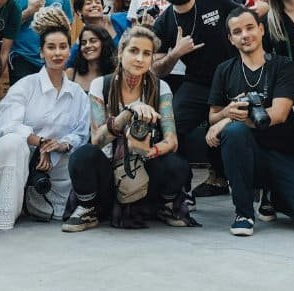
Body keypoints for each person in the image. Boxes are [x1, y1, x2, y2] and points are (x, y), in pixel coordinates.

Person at [207, 7, 294, 236]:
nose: (245, 35)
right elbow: (213, 116)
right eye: (237, 31)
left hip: (283, 155)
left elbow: (279, 114)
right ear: (231, 39)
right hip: (246, 157)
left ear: (261, 29)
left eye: (250, 27)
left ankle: (278, 198)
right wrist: (226, 114)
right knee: (235, 133)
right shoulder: (224, 70)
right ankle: (243, 213)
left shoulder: (282, 65)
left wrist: (227, 121)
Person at [62, 26, 196, 231]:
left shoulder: (161, 88)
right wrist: (128, 113)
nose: (140, 58)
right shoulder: (101, 85)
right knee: (83, 156)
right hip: (108, 175)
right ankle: (89, 208)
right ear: (120, 52)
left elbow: (172, 141)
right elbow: (97, 139)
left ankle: (164, 205)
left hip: (145, 172)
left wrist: (150, 151)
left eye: (147, 53)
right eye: (133, 51)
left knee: (176, 164)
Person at [0, 7, 90, 229]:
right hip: (14, 156)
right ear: (41, 53)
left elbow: (80, 133)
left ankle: (35, 201)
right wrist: (40, 143)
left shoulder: (77, 93)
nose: (57, 53)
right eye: (51, 47)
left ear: (70, 51)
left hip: (53, 163)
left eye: (62, 47)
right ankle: (2, 216)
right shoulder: (26, 85)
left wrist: (59, 145)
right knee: (12, 143)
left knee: (80, 156)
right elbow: (7, 124)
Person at [152, 0, 241, 198]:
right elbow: (156, 70)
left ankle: (227, 179)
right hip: (197, 83)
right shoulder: (163, 23)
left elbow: (247, 22)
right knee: (170, 126)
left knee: (238, 128)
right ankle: (179, 188)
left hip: (232, 78)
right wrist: (176, 54)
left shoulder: (215, 1)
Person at [66, 25, 117, 93]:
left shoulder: (115, 76)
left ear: (104, 43)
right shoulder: (71, 74)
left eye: (93, 41)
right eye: (83, 43)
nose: (87, 45)